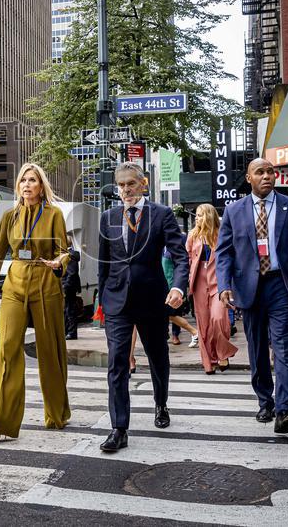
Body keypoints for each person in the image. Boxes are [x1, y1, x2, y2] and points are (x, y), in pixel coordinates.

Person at [216, 158, 288, 435]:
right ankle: (265, 400)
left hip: (282, 286)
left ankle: (287, 409)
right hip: (249, 288)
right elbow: (224, 252)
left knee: (286, 348)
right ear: (249, 178)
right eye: (259, 172)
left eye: (270, 172)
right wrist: (224, 284)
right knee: (258, 347)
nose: (266, 176)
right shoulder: (233, 211)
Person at [0, 163, 71, 441]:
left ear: (41, 186)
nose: (27, 185)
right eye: (23, 180)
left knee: (50, 351)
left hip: (46, 283)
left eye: (33, 180)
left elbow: (65, 252)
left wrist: (59, 262)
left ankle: (56, 412)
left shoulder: (54, 215)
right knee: (8, 347)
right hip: (14, 283)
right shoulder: (10, 216)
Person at [98, 162, 189, 452]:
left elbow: (180, 256)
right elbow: (104, 262)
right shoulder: (108, 217)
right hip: (117, 301)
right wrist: (103, 301)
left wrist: (178, 287)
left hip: (152, 299)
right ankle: (119, 428)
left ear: (143, 184)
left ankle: (161, 403)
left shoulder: (161, 215)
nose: (125, 190)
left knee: (157, 357)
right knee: (117, 363)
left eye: (131, 184)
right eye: (121, 185)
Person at [130, 248, 199, 374]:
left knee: (170, 315)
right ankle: (130, 358)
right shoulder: (157, 250)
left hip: (165, 289)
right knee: (134, 322)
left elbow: (180, 263)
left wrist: (178, 288)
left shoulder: (167, 248)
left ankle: (192, 332)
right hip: (145, 288)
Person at [187, 204, 238, 374]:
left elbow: (231, 257)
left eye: (200, 215)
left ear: (209, 216)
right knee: (204, 324)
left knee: (218, 318)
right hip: (199, 280)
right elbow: (186, 259)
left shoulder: (221, 234)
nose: (197, 218)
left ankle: (222, 353)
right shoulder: (193, 236)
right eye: (196, 215)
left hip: (218, 279)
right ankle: (209, 362)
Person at [63, 233, 81, 340]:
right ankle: (68, 331)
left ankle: (71, 332)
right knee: (68, 309)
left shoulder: (69, 256)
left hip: (68, 288)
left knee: (70, 310)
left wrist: (65, 286)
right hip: (70, 287)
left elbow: (71, 273)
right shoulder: (70, 255)